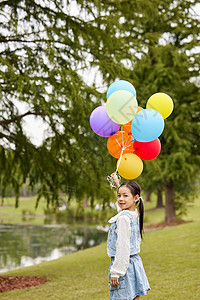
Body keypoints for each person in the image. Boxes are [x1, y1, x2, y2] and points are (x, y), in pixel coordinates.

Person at [107, 173, 150, 300]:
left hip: (123, 267)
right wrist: (117, 183)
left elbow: (123, 247)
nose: (121, 199)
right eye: (119, 195)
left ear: (136, 198)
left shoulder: (124, 219)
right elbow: (124, 205)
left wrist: (116, 272)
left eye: (125, 196)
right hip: (134, 264)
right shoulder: (133, 213)